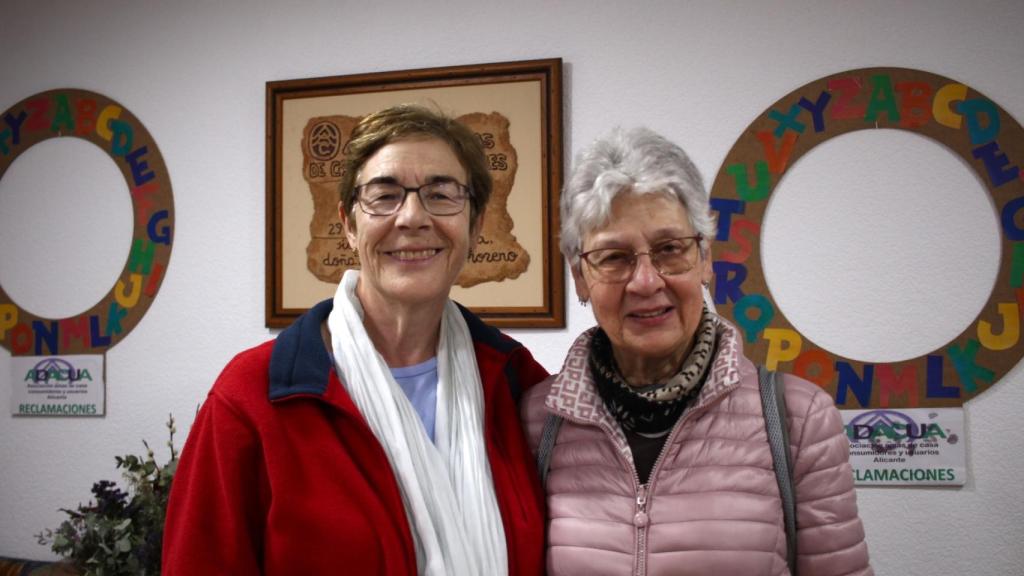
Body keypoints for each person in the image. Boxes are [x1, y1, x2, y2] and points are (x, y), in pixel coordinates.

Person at [163, 104, 548, 575]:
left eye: (442, 193)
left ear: (476, 223)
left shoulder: (514, 380)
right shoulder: (252, 396)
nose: (411, 217)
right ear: (348, 224)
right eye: (384, 196)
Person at [521, 127, 872, 575]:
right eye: (613, 257)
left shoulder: (796, 419)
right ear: (580, 278)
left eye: (670, 249)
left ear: (705, 259)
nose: (646, 281)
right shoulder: (536, 421)